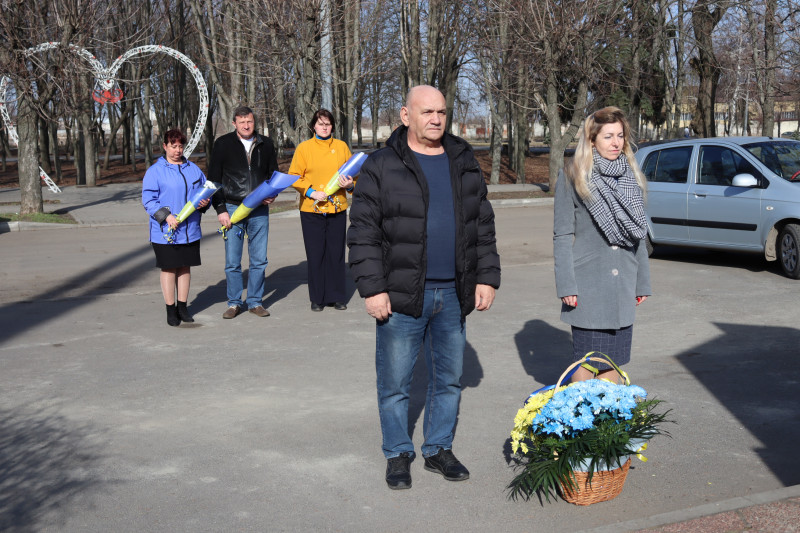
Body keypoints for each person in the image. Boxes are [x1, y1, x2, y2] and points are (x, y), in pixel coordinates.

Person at [347, 85, 501, 490]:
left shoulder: (462, 159)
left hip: (454, 293)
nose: (435, 119)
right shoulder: (381, 164)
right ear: (405, 115)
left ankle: (437, 448)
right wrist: (372, 288)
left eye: (441, 112)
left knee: (449, 379)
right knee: (395, 383)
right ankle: (398, 452)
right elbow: (362, 231)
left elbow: (481, 224)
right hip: (400, 294)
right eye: (427, 111)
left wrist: (486, 276)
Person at [553, 106, 651, 383]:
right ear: (592, 139)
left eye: (620, 135)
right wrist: (566, 285)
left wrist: (642, 282)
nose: (616, 143)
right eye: (608, 136)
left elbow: (638, 233)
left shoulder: (631, 176)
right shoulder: (573, 175)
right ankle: (583, 425)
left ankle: (609, 427)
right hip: (588, 288)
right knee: (586, 365)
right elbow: (561, 235)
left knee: (614, 365)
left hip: (623, 286)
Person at [210, 106, 279, 319]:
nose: (246, 125)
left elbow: (273, 175)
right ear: (234, 124)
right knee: (233, 261)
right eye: (241, 122)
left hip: (259, 208)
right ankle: (234, 303)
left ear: (254, 122)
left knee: (259, 260)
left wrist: (272, 195)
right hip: (232, 208)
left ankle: (255, 302)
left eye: (249, 121)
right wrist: (221, 209)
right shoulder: (222, 144)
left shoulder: (266, 144)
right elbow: (214, 181)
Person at [142, 128, 210, 326]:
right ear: (164, 147)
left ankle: (183, 306)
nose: (177, 150)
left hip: (190, 229)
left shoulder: (193, 169)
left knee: (184, 268)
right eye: (173, 146)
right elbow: (148, 200)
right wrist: (166, 216)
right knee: (169, 269)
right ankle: (170, 310)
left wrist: (205, 202)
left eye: (180, 146)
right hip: (165, 232)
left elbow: (204, 191)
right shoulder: (155, 171)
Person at [289, 109, 355, 312]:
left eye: (328, 124)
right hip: (311, 209)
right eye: (320, 124)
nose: (324, 127)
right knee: (316, 254)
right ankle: (317, 297)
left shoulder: (342, 147)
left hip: (337, 207)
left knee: (336, 253)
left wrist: (351, 185)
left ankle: (337, 296)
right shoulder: (304, 148)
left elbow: (355, 173)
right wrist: (310, 192)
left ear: (333, 126)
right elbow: (294, 175)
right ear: (313, 126)